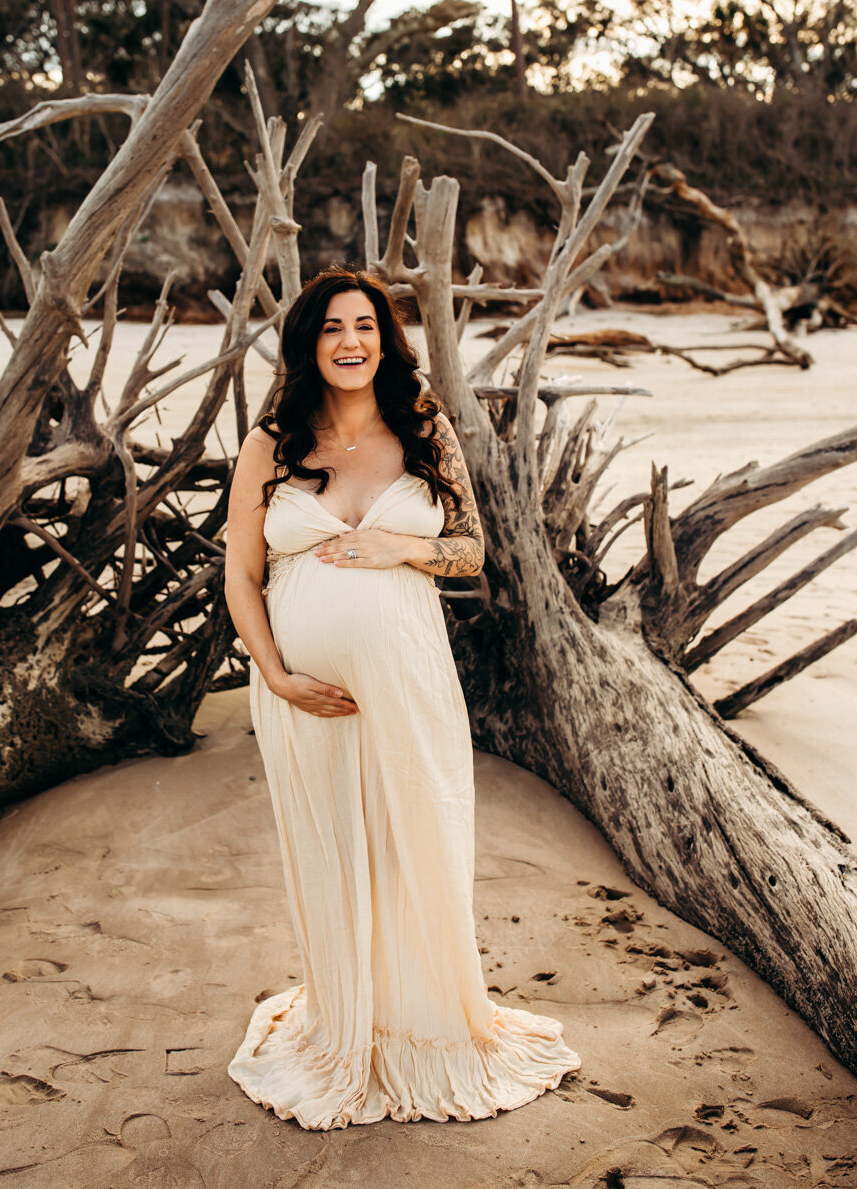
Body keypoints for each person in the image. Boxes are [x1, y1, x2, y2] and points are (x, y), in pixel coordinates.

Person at [224, 266, 580, 1129]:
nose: (352, 342)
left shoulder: (423, 430)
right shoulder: (272, 443)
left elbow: (471, 551)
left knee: (415, 838)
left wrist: (397, 546)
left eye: (367, 327)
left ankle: (425, 1024)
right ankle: (349, 1023)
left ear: (385, 341)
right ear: (310, 343)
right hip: (301, 695)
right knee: (334, 848)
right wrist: (273, 674)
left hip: (409, 681)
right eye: (334, 328)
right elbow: (239, 572)